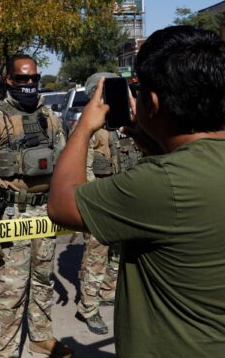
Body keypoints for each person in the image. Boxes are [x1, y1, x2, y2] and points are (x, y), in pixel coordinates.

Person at [48, 26, 225, 357]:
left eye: (139, 92)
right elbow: (187, 182)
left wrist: (83, 126)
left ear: (152, 102)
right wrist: (152, 137)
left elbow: (61, 204)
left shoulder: (164, 182)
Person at [0, 54, 72, 358]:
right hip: (12, 216)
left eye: (33, 79)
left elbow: (65, 163)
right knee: (11, 289)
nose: (29, 84)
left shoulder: (49, 117)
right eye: (22, 79)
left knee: (43, 279)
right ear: (9, 80)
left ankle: (41, 337)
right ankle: (6, 351)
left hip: (44, 214)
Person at [73, 72, 140, 335]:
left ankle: (107, 291)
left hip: (124, 201)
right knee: (95, 257)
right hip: (100, 203)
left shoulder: (128, 124)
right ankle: (88, 307)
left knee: (119, 252)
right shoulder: (89, 128)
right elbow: (83, 169)